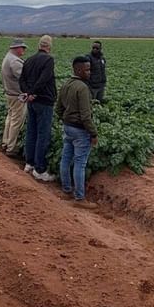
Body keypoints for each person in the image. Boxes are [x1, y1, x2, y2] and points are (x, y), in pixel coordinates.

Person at [55, 55, 99, 209]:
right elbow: (86, 116)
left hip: (68, 127)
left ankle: (66, 190)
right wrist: (93, 134)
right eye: (87, 69)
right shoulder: (83, 88)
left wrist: (66, 119)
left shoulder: (66, 84)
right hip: (80, 130)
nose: (89, 72)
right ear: (78, 70)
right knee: (80, 163)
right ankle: (80, 198)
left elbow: (58, 109)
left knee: (66, 159)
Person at [19, 35, 57, 182]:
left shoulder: (29, 60)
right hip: (44, 101)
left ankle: (29, 163)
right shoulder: (49, 60)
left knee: (31, 131)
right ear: (49, 46)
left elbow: (21, 80)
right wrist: (33, 92)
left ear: (39, 45)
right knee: (43, 134)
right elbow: (44, 78)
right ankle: (40, 169)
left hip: (32, 102)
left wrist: (28, 93)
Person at [0, 38, 27, 157]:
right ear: (17, 48)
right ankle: (11, 147)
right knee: (16, 121)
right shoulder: (15, 61)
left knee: (10, 119)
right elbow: (24, 77)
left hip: (10, 94)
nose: (24, 50)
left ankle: (5, 142)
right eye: (23, 48)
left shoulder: (8, 57)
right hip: (17, 95)